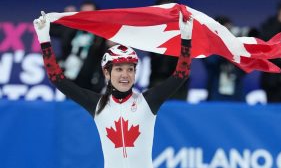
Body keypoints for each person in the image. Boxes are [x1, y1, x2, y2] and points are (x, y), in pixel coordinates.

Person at [33, 11, 193, 168]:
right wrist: (44, 40)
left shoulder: (147, 102)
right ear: (106, 73)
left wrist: (186, 39)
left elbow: (181, 75)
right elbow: (57, 79)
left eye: (130, 69)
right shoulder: (97, 104)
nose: (125, 75)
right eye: (119, 69)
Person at [50, 0, 107, 93]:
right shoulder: (71, 28)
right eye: (83, 13)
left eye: (89, 14)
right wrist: (63, 17)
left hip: (90, 80)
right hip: (68, 76)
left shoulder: (101, 33)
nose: (86, 17)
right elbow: (49, 29)